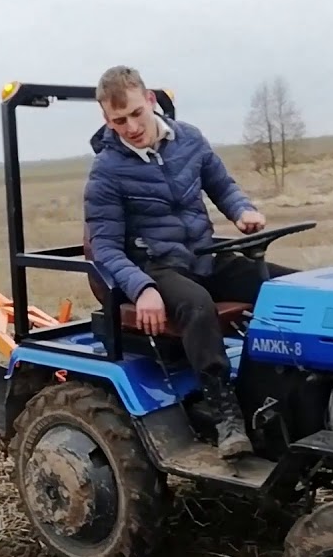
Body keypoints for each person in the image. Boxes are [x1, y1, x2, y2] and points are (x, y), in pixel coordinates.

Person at [83, 65, 298, 459]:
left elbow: (221, 185)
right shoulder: (107, 172)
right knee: (196, 306)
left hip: (203, 255)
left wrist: (241, 210)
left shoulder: (190, 140)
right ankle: (226, 415)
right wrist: (142, 288)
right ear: (106, 120)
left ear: (150, 101)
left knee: (291, 289)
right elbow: (107, 248)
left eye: (135, 113)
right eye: (118, 120)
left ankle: (295, 389)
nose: (130, 127)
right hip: (156, 266)